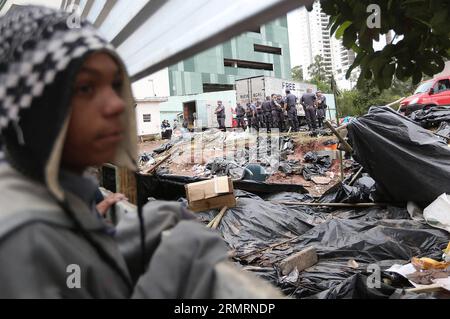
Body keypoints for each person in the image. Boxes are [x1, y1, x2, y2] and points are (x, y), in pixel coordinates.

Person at [0, 6, 227, 298]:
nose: (117, 105)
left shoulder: (47, 187)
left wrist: (140, 231)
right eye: (85, 87)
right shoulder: (22, 241)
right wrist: (180, 260)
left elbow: (78, 270)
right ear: (26, 106)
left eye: (115, 85)